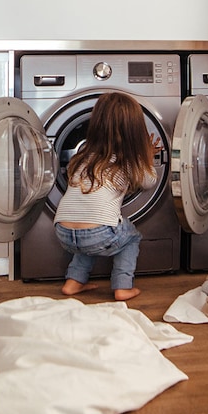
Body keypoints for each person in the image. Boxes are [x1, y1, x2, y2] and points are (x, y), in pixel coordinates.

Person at [53, 92, 160, 301]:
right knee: (131, 237)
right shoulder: (129, 160)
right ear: (135, 131)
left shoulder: (84, 155)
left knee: (88, 227)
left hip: (63, 231)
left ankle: (73, 282)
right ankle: (122, 286)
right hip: (98, 234)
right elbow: (149, 182)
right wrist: (147, 157)